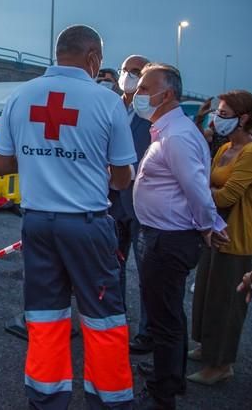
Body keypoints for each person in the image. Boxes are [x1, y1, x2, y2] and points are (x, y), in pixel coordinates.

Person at [0, 25, 136, 409]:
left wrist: (41, 159)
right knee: (103, 319)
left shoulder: (20, 96)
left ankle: (46, 399)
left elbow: (0, 164)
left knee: (44, 317)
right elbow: (123, 178)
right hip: (87, 223)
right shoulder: (107, 102)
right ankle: (110, 401)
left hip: (37, 223)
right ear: (92, 57)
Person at [132, 63, 228, 409]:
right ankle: (167, 371)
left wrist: (209, 225)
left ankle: (163, 393)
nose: (137, 95)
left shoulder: (177, 136)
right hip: (164, 235)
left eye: (144, 88)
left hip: (170, 239)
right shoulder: (167, 130)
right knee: (167, 311)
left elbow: (197, 189)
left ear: (166, 94)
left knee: (165, 316)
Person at [189, 90, 252, 385]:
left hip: (238, 238)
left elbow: (228, 195)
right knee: (207, 295)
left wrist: (199, 192)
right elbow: (208, 184)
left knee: (227, 304)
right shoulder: (225, 148)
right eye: (217, 113)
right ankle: (208, 346)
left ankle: (221, 365)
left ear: (243, 118)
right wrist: (204, 193)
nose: (218, 119)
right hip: (215, 231)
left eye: (224, 114)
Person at [105, 55, 155, 354]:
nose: (129, 76)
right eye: (126, 70)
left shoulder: (151, 113)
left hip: (141, 201)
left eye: (136, 72)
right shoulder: (110, 104)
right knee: (114, 264)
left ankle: (148, 332)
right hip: (110, 201)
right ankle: (116, 318)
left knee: (147, 271)